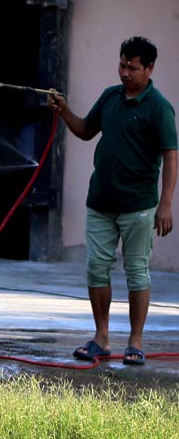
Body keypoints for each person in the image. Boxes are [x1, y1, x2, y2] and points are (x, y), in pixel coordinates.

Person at [48, 36, 177, 365]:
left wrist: (166, 204)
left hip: (139, 207)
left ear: (150, 68)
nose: (125, 73)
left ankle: (135, 342)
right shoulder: (110, 97)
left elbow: (171, 158)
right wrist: (64, 111)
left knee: (137, 272)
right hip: (101, 203)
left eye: (133, 68)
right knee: (96, 269)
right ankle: (101, 337)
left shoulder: (159, 107)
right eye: (122, 65)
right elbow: (85, 130)